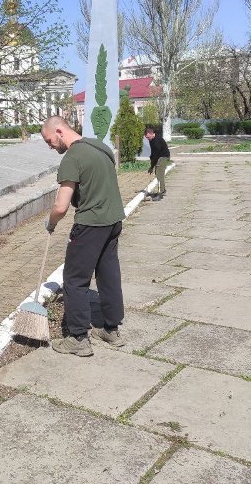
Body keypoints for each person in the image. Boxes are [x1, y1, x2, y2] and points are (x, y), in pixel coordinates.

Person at [41, 116, 126, 357]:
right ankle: (111, 329)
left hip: (90, 225)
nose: (50, 146)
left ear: (59, 131)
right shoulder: (101, 147)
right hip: (113, 221)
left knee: (75, 278)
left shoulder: (72, 157)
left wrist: (51, 223)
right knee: (109, 274)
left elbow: (61, 206)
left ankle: (78, 338)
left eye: (49, 141)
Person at [145, 127, 170, 201]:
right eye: (146, 137)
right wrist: (152, 166)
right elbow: (153, 154)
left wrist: (152, 167)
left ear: (152, 133)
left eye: (148, 136)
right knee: (158, 174)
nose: (147, 138)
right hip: (158, 157)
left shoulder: (157, 141)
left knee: (159, 174)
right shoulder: (151, 140)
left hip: (163, 157)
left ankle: (160, 193)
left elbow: (156, 156)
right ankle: (163, 190)